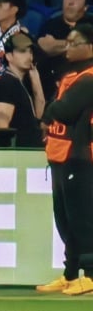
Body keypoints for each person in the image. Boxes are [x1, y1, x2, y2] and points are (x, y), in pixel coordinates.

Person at [39, 21, 93, 293]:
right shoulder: (72, 74)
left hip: (81, 156)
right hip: (61, 155)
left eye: (74, 43)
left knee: (83, 218)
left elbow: (64, 110)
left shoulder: (89, 78)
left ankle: (91, 274)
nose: (67, 47)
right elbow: (54, 108)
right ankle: (70, 272)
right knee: (65, 219)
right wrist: (52, 110)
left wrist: (51, 111)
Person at [0, 31, 45, 145]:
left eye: (30, 51)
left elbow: (39, 116)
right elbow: (1, 128)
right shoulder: (6, 83)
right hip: (17, 152)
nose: (29, 56)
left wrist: (36, 81)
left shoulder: (18, 82)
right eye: (22, 51)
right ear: (9, 56)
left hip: (29, 150)